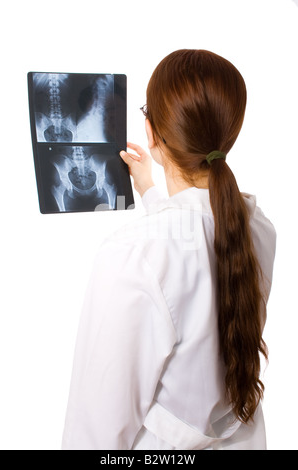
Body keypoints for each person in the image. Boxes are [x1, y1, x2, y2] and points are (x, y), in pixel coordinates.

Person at [62, 49, 276, 450]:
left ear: (152, 132)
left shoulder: (133, 253)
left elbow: (96, 429)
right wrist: (149, 191)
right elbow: (192, 261)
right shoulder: (258, 229)